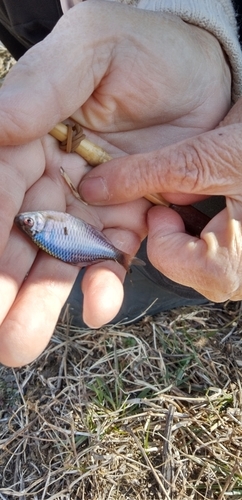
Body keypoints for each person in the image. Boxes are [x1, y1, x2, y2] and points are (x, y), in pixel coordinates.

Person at [0, 0, 241, 367]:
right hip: (67, 33)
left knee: (187, 239)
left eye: (31, 222)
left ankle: (166, 279)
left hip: (200, 134)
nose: (31, 219)